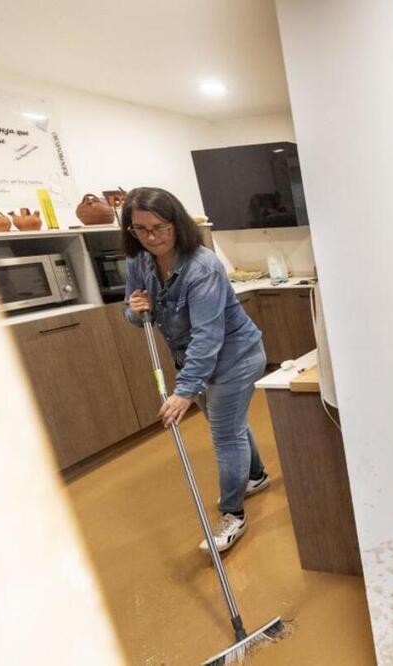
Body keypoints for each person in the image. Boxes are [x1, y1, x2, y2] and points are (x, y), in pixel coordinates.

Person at [122, 187, 270, 554]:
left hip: (234, 357)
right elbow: (139, 316)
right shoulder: (139, 262)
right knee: (230, 424)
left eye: (159, 227)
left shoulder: (202, 267)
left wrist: (185, 389)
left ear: (177, 223)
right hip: (194, 360)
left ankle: (233, 515)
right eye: (140, 229)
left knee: (224, 434)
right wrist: (134, 308)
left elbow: (208, 334)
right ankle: (256, 477)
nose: (151, 237)